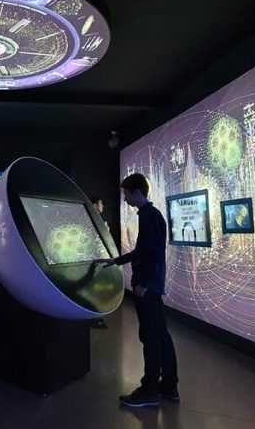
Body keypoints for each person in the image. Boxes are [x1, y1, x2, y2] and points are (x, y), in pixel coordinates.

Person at [93, 173, 179, 408]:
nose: (125, 199)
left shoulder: (149, 217)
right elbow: (143, 251)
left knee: (150, 337)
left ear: (137, 192)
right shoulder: (151, 215)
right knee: (160, 335)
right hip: (152, 287)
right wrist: (116, 262)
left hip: (148, 288)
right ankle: (169, 386)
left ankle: (150, 390)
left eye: (126, 194)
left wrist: (145, 284)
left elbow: (152, 255)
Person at [89, 196, 109, 330]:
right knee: (94, 288)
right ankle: (95, 317)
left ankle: (97, 316)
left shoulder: (97, 220)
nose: (103, 206)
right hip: (95, 259)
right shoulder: (93, 220)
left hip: (99, 259)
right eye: (101, 203)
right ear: (95, 205)